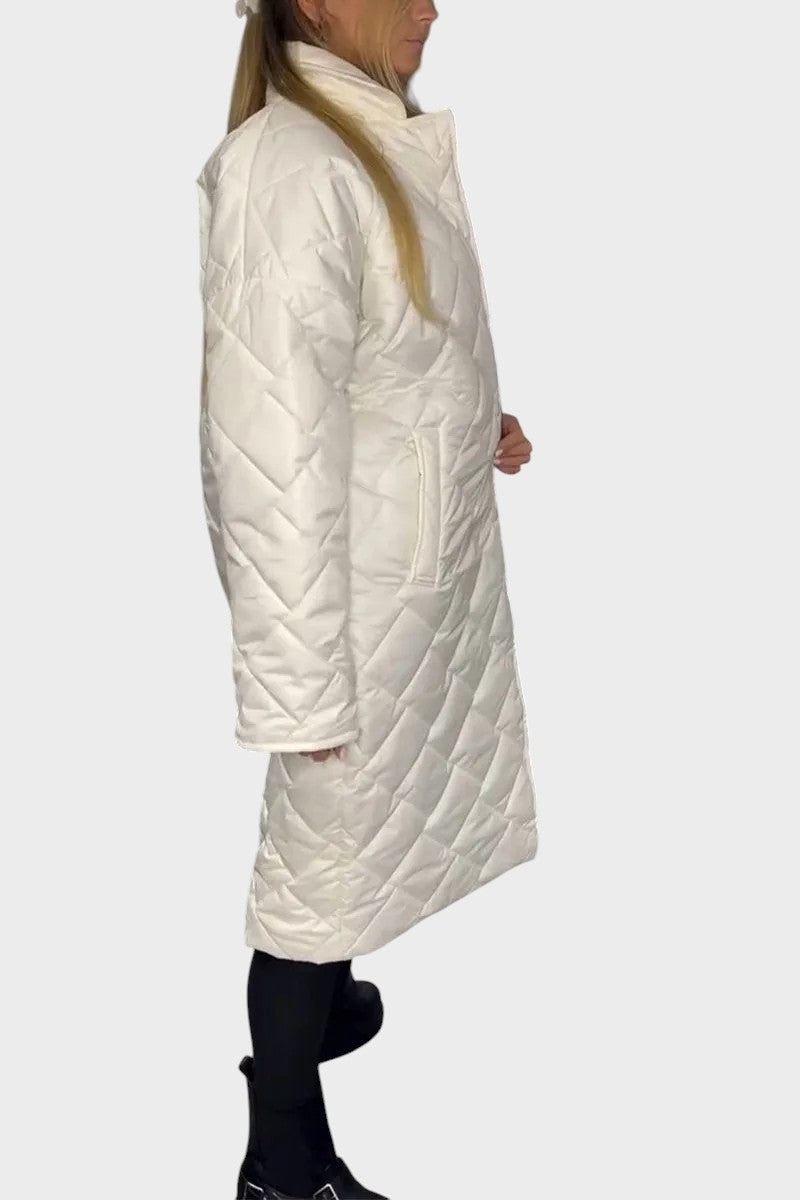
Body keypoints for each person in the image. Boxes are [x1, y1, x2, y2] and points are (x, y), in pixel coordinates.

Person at [195, 2, 539, 1196]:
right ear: (314, 2)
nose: (431, 6)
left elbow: (387, 352)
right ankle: (282, 1153)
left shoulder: (367, 136)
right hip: (347, 602)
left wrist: (470, 421)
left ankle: (331, 1001)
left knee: (353, 839)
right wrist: (297, 690)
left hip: (406, 577)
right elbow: (266, 457)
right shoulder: (289, 171)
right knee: (313, 869)